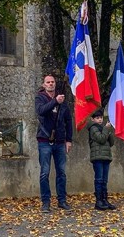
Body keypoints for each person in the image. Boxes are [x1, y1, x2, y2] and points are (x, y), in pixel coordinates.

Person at [34, 75, 73, 213]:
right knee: (44, 173)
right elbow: (41, 111)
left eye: (52, 82)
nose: (51, 84)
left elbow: (68, 121)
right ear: (44, 84)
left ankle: (62, 200)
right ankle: (46, 202)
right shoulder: (40, 98)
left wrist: (68, 140)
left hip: (60, 142)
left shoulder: (62, 99)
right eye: (48, 82)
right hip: (44, 141)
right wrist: (55, 101)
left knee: (61, 172)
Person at [88, 109, 116, 210]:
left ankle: (105, 199)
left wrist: (109, 131)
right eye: (97, 118)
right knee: (99, 179)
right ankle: (98, 201)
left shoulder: (104, 128)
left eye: (101, 118)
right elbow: (101, 139)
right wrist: (106, 129)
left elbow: (111, 142)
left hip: (106, 156)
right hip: (98, 157)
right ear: (93, 119)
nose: (99, 120)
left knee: (104, 180)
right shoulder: (93, 128)